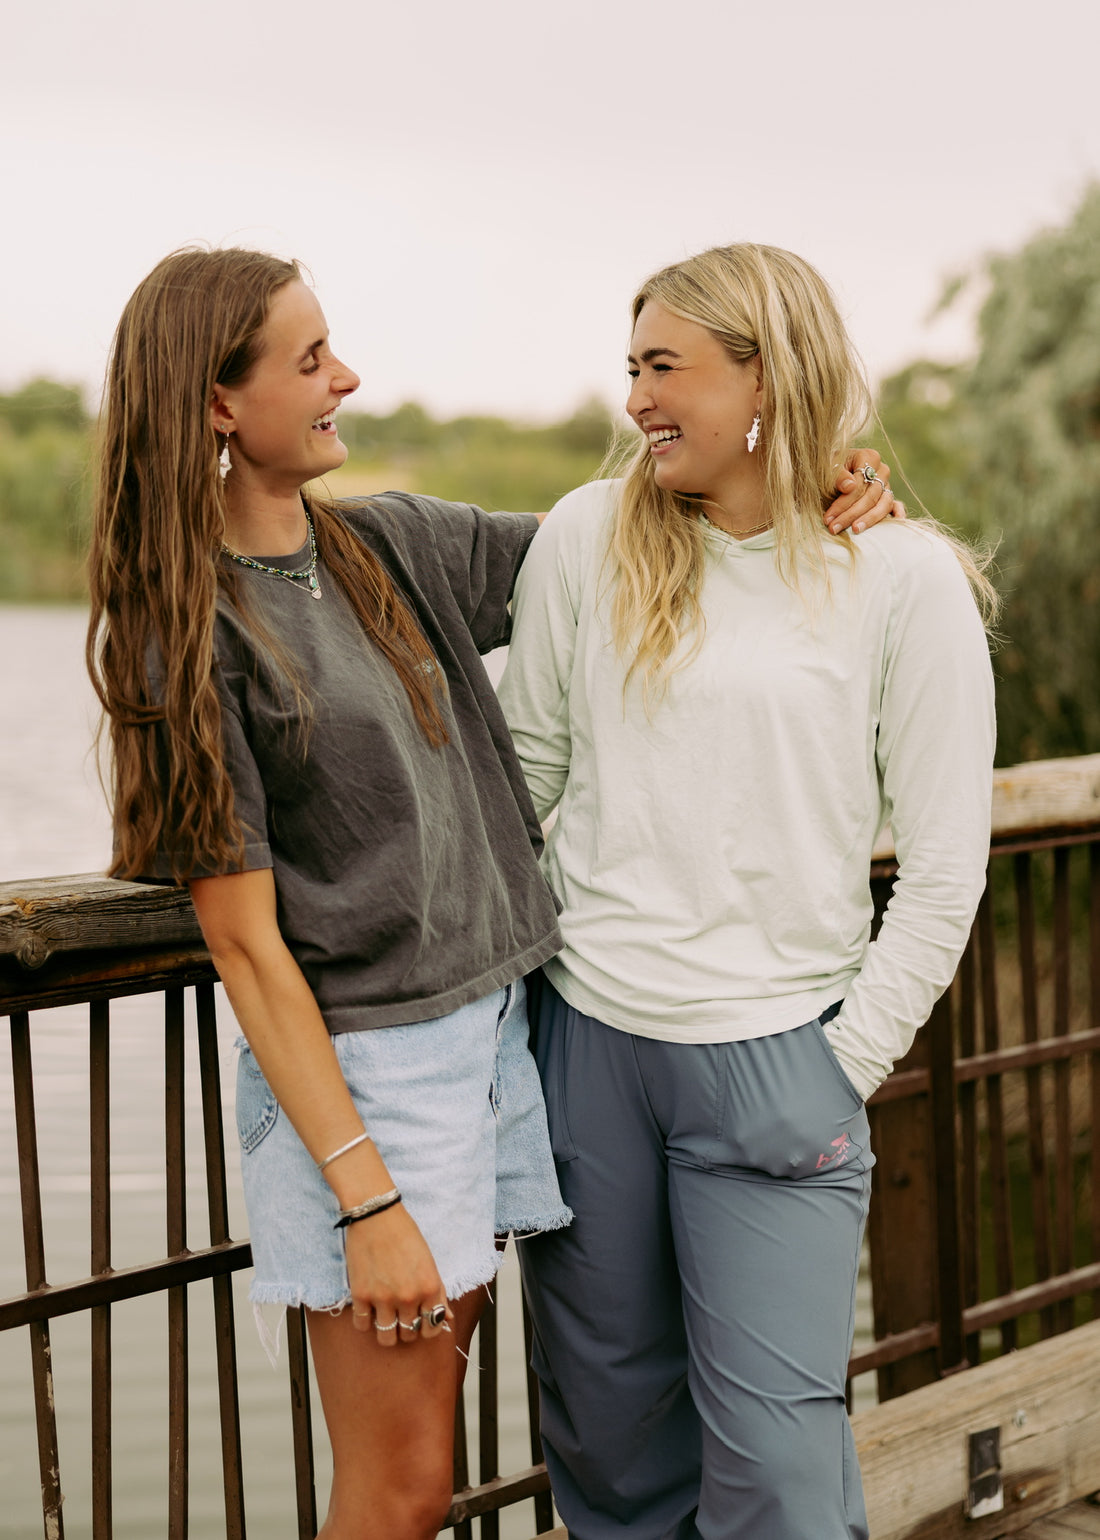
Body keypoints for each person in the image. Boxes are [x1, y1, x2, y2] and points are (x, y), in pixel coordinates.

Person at [85, 245, 895, 1540]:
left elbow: (652, 517)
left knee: (454, 1469)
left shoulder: (393, 546)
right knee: (400, 1491)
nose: (345, 376)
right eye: (309, 361)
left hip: (498, 1047)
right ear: (219, 406)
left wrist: (816, 468)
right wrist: (368, 1197)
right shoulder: (187, 632)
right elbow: (243, 951)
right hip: (374, 1093)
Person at [498, 243, 997, 1540]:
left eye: (665, 368)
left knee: (778, 1478)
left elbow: (946, 867)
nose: (637, 401)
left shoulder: (903, 579)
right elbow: (524, 780)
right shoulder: (582, 539)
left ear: (763, 374)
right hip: (588, 1047)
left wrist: (841, 1068)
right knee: (610, 1459)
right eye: (631, 369)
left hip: (780, 1058)